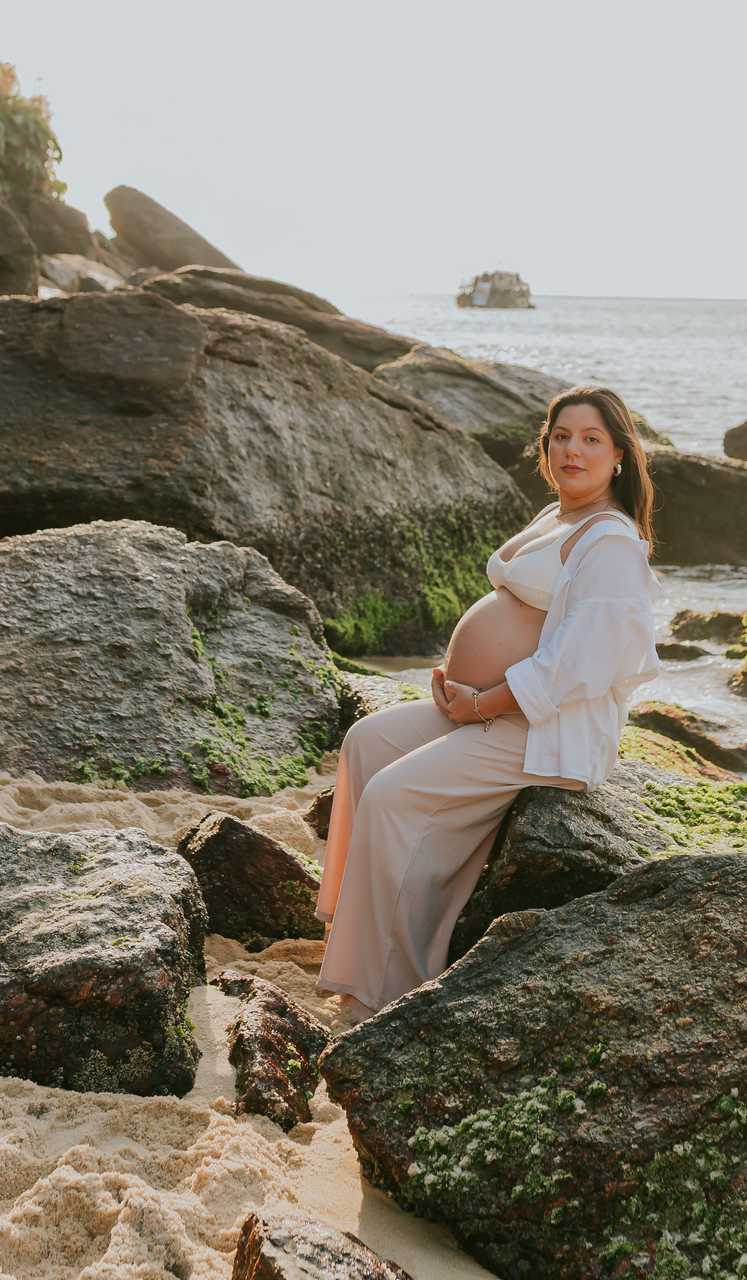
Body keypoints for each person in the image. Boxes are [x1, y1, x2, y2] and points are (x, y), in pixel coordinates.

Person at [315, 384, 662, 1022]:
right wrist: (458, 678)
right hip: (489, 708)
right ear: (545, 446)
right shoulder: (557, 516)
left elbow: (576, 665)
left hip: (543, 728)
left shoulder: (611, 543)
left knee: (392, 796)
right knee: (366, 743)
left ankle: (385, 986)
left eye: (591, 439)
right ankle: (353, 935)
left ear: (619, 455)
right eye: (561, 437)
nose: (572, 451)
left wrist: (481, 704)